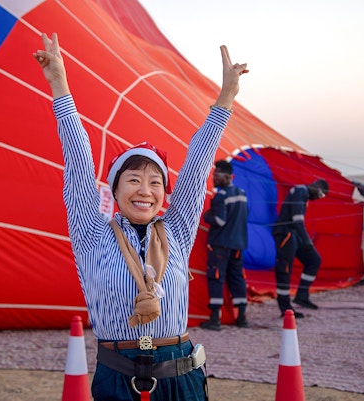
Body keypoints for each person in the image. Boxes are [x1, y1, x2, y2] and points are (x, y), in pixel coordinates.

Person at [33, 32, 248, 401]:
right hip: (117, 378)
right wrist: (60, 88)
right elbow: (79, 164)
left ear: (164, 194)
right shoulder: (92, 234)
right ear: (115, 192)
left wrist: (225, 100)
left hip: (180, 377)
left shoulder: (177, 232)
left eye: (154, 182)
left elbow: (196, 167)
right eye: (132, 179)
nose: (144, 190)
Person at [200, 160, 249, 330]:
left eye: (217, 174)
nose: (214, 177)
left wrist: (206, 216)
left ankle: (215, 319)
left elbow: (219, 220)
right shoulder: (242, 193)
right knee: (237, 278)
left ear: (227, 176)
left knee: (216, 278)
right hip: (238, 245)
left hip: (220, 244)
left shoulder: (221, 196)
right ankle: (242, 317)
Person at [272, 179, 329, 318]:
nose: (318, 199)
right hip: (286, 234)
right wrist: (306, 240)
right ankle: (285, 308)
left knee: (314, 260)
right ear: (317, 188)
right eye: (321, 195)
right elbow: (297, 219)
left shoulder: (304, 194)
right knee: (285, 270)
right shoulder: (300, 191)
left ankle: (302, 295)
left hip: (295, 235)